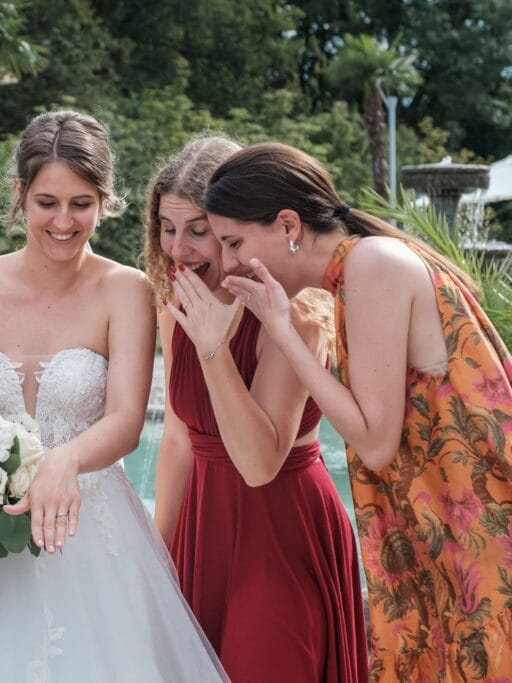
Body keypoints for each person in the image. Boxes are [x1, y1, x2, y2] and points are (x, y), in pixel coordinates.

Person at [0, 111, 226, 681]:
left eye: (81, 202)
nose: (63, 220)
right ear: (21, 196)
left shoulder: (125, 289)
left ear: (104, 200)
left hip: (89, 535)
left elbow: (128, 420)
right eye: (47, 201)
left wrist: (64, 461)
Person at [204, 141, 512, 681]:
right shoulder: (359, 271)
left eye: (234, 241)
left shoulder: (373, 264)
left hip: (480, 544)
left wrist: (281, 329)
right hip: (454, 535)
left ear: (287, 225)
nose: (228, 261)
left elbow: (374, 441)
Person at [142, 136, 368, 682]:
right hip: (203, 528)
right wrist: (158, 557)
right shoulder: (178, 307)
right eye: (167, 230)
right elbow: (178, 440)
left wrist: (215, 349)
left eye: (199, 231)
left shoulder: (295, 317)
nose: (178, 250)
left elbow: (259, 461)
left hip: (279, 537)